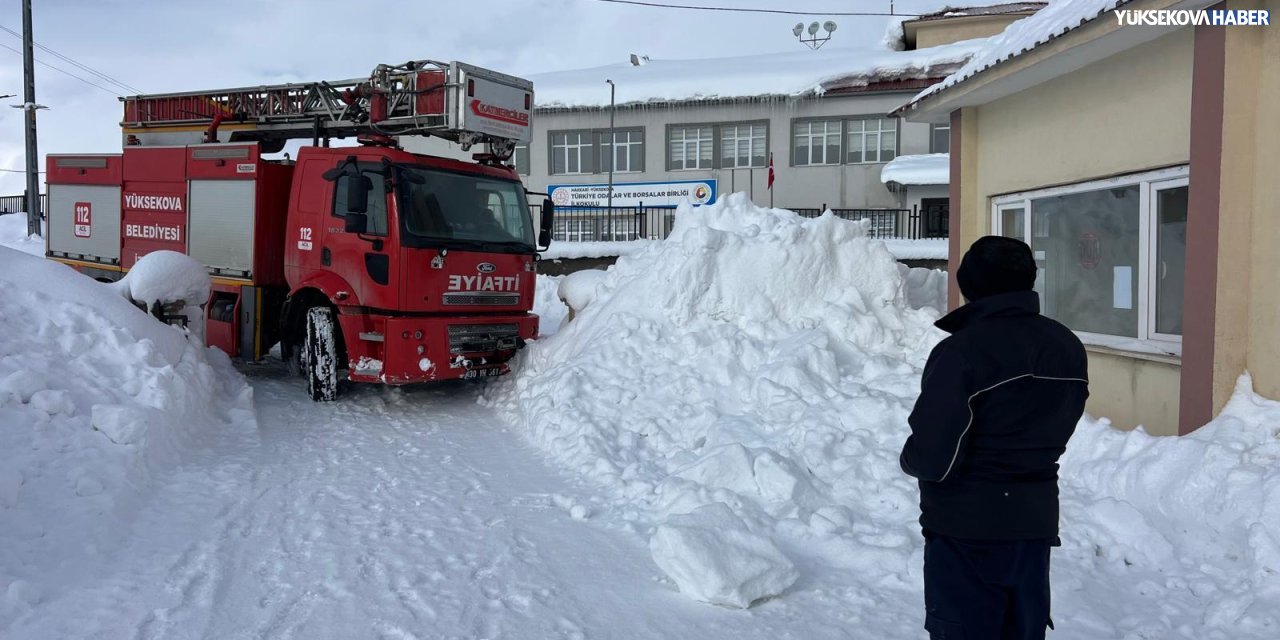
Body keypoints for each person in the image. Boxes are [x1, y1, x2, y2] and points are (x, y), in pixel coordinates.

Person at [900, 236, 1089, 640]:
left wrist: (909, 458)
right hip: (1033, 522)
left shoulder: (962, 352)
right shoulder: (1066, 345)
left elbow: (933, 457)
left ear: (970, 285)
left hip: (967, 529)